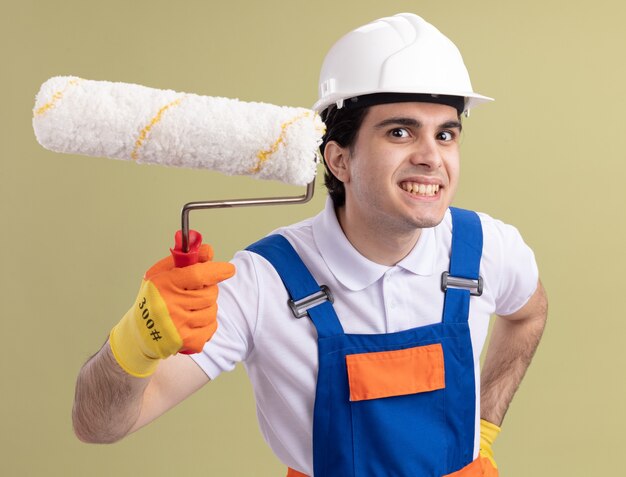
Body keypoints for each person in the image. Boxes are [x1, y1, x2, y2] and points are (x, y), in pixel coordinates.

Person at [72, 13, 548, 477]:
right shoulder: (261, 281)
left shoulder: (487, 247)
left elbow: (529, 312)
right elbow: (98, 427)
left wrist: (483, 427)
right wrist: (134, 342)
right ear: (339, 159)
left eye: (446, 134)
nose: (431, 157)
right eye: (400, 132)